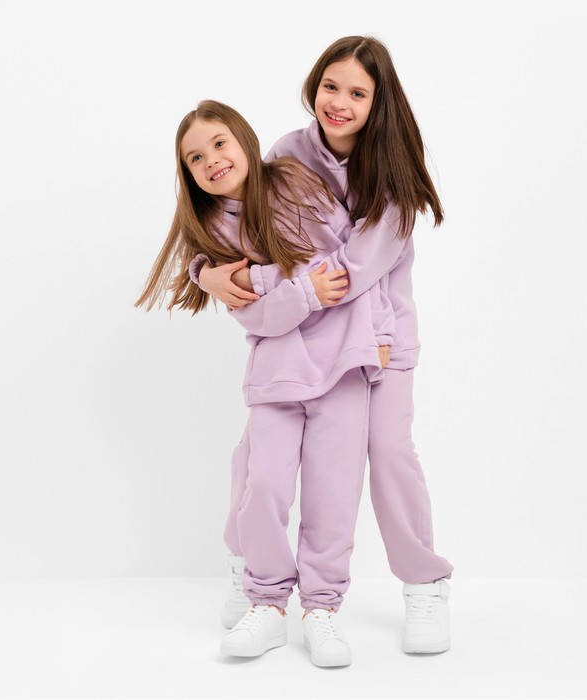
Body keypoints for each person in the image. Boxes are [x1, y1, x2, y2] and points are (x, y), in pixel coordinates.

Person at [199, 36, 454, 655]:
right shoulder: (289, 152)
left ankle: (424, 586)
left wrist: (266, 290)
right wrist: (204, 272)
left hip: (381, 341)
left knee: (387, 454)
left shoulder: (394, 177)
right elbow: (246, 225)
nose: (339, 102)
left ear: (378, 103)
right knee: (255, 459)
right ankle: (250, 570)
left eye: (357, 93)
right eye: (330, 86)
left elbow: (355, 271)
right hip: (303, 341)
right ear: (314, 86)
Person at [136, 100, 394, 667]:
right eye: (195, 158)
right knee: (264, 488)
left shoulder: (297, 180)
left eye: (219, 144)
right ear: (188, 175)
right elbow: (255, 313)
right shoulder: (212, 231)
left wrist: (379, 332)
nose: (211, 161)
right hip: (277, 373)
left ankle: (321, 610)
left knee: (333, 496)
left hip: (343, 365)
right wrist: (300, 291)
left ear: (244, 140)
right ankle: (268, 604)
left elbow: (352, 263)